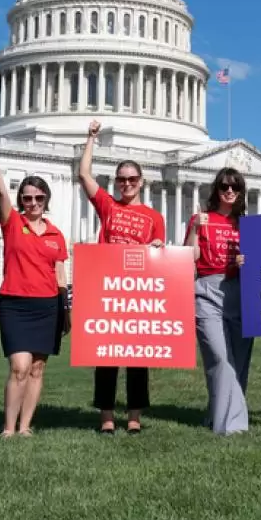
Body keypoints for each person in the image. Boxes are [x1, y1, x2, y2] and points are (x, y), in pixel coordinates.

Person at [78, 120, 165, 434]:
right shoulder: (108, 205)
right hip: (107, 287)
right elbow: (84, 175)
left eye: (131, 179)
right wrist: (91, 138)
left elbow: (160, 259)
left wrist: (157, 247)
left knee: (138, 357)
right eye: (121, 179)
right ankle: (106, 414)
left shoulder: (155, 217)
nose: (126, 183)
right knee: (107, 356)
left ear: (141, 182)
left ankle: (134, 415)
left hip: (138, 290)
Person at [0, 139, 70, 437]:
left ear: (46, 200)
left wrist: (65, 308)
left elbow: (59, 272)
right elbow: (0, 192)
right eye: (27, 198)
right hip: (15, 304)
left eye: (38, 198)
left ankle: (25, 427)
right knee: (19, 366)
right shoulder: (12, 223)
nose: (32, 203)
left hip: (47, 305)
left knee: (37, 369)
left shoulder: (56, 234)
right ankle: (8, 428)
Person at [184, 167, 252, 436]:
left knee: (240, 361)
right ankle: (231, 426)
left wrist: (245, 262)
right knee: (220, 358)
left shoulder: (245, 225)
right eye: (225, 187)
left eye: (235, 187)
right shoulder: (202, 220)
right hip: (207, 290)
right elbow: (189, 258)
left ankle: (216, 414)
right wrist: (195, 231)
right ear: (216, 190)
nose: (230, 191)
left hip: (240, 291)